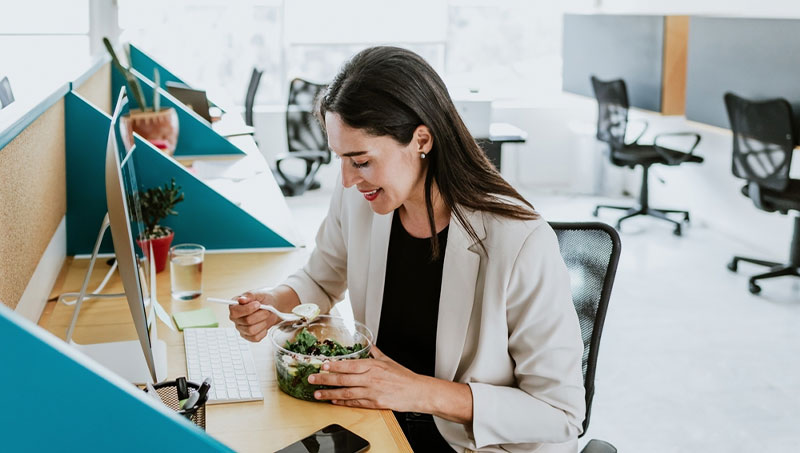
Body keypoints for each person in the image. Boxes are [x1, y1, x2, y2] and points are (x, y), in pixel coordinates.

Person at [229, 46, 585, 452]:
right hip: (385, 422)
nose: (346, 179)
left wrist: (415, 392)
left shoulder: (519, 239)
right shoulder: (361, 200)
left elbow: (560, 413)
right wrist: (274, 302)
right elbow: (320, 278)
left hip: (475, 444)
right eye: (341, 159)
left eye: (360, 160)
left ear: (422, 140)